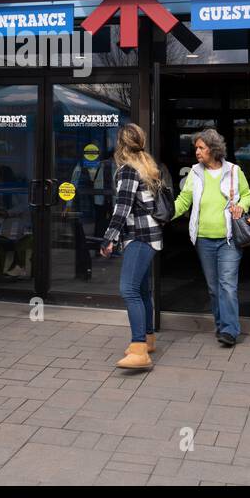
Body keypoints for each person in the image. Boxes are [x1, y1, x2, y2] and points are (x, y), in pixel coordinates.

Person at [172, 129, 250, 347]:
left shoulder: (234, 171)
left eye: (201, 148)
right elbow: (183, 200)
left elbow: (247, 194)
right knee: (214, 287)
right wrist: (165, 213)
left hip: (229, 240)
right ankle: (221, 325)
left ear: (213, 149)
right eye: (196, 148)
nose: (197, 152)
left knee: (227, 284)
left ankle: (230, 330)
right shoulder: (194, 173)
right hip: (203, 239)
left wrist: (241, 206)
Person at [99, 123, 165, 370]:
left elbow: (122, 208)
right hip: (152, 236)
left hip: (139, 237)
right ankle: (147, 339)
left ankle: (139, 350)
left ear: (121, 144)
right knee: (142, 290)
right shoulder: (148, 167)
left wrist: (109, 239)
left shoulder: (128, 170)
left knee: (128, 290)